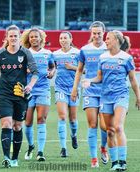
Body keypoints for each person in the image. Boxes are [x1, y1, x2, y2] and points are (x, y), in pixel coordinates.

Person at [82, 30, 140, 171]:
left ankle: (123, 161)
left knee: (118, 127)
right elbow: (99, 77)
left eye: (108, 38)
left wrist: (138, 97)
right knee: (109, 131)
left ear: (117, 41)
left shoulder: (126, 58)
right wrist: (90, 81)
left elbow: (132, 79)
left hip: (121, 96)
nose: (105, 40)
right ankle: (115, 163)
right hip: (105, 97)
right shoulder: (102, 57)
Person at [0, 25, 38, 168]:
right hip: (4, 94)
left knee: (17, 126)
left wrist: (30, 86)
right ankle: (6, 157)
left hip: (20, 95)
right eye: (10, 36)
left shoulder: (25, 53)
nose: (13, 38)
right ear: (6, 38)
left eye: (15, 36)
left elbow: (36, 72)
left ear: (19, 37)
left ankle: (14, 158)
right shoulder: (0, 54)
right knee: (6, 124)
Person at [71, 21, 109, 168]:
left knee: (105, 126)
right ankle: (94, 159)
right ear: (91, 33)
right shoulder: (85, 50)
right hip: (90, 92)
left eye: (99, 33)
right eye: (94, 33)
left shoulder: (109, 49)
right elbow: (79, 70)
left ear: (104, 33)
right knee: (92, 124)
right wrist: (75, 88)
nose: (97, 35)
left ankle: (103, 148)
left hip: (107, 93)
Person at [21, 28, 55, 161]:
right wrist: (26, 70)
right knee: (28, 122)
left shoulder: (48, 53)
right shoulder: (24, 53)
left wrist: (52, 72)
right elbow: (19, 69)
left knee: (41, 119)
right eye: (31, 37)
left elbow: (52, 66)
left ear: (41, 38)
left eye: (36, 37)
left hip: (43, 89)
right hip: (28, 90)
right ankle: (30, 146)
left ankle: (40, 152)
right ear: (28, 39)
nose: (34, 39)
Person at [53, 31, 80, 157]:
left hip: (74, 89)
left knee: (73, 119)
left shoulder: (78, 53)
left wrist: (72, 67)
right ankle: (63, 148)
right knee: (62, 117)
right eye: (61, 38)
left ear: (71, 39)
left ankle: (74, 135)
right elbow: (52, 68)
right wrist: (51, 73)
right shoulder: (55, 54)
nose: (63, 40)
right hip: (60, 89)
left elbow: (84, 70)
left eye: (65, 38)